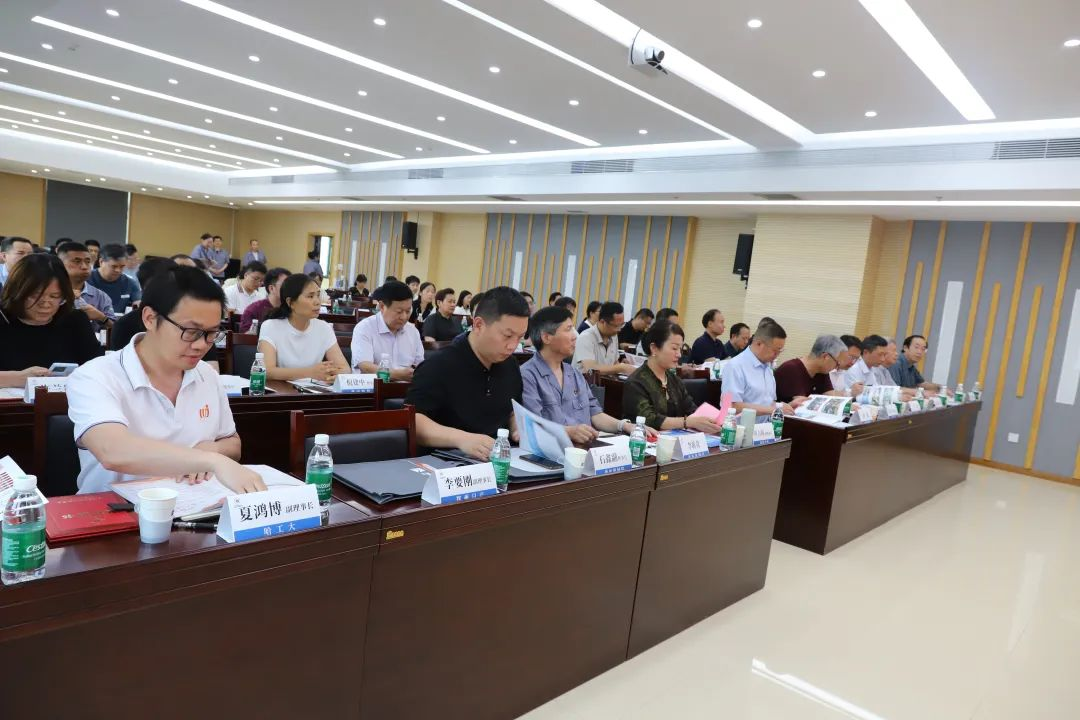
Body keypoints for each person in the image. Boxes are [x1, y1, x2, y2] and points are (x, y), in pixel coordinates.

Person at [67, 265, 265, 495]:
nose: (202, 345)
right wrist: (209, 460)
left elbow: (232, 442)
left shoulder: (207, 375)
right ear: (150, 318)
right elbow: (112, 451)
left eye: (212, 333)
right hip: (114, 507)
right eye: (191, 331)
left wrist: (213, 450)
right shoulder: (95, 376)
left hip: (193, 502)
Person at [406, 287, 528, 459]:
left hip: (501, 460)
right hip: (448, 462)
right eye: (507, 336)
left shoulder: (510, 365)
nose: (513, 346)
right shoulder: (439, 365)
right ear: (479, 325)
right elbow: (414, 421)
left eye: (520, 337)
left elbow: (512, 409)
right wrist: (462, 439)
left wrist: (517, 427)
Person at [523, 306, 657, 444]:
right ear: (546, 337)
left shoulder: (574, 373)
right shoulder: (528, 376)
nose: (575, 336)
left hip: (584, 449)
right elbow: (533, 426)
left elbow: (595, 413)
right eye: (568, 329)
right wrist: (568, 432)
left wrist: (625, 426)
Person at [0, 254, 104, 387]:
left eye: (55, 296)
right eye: (35, 296)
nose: (46, 304)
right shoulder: (3, 318)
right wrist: (17, 378)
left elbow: (97, 367)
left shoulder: (74, 320)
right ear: (17, 292)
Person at [622, 320, 722, 433]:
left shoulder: (674, 380)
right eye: (674, 348)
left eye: (680, 349)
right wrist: (686, 422)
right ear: (654, 348)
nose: (679, 354)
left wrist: (709, 421)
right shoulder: (636, 382)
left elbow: (691, 410)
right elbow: (649, 419)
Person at [257, 274, 349, 383]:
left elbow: (345, 369)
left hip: (314, 391)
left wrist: (335, 375)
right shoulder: (271, 326)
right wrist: (310, 373)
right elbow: (267, 371)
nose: (317, 302)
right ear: (290, 302)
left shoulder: (324, 328)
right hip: (281, 390)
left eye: (318, 295)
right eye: (310, 296)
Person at [351, 280, 425, 379]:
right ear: (382, 306)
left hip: (407, 387)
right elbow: (365, 367)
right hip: (373, 387)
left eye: (408, 311)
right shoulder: (365, 328)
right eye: (399, 311)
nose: (404, 317)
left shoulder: (412, 331)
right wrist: (397, 375)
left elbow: (420, 365)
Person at [724, 319, 793, 416]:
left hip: (767, 424)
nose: (777, 355)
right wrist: (773, 409)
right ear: (759, 344)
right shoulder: (735, 366)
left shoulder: (767, 367)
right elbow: (731, 406)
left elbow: (768, 403)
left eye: (780, 351)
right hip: (743, 425)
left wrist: (787, 406)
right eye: (775, 350)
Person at [774, 334, 858, 404]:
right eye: (837, 363)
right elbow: (801, 403)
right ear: (825, 357)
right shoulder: (791, 369)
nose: (837, 367)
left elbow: (831, 395)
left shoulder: (821, 371)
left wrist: (846, 405)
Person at [56, 241, 114, 331]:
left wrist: (101, 317)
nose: (84, 267)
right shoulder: (49, 294)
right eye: (77, 261)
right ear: (60, 264)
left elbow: (116, 329)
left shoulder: (100, 296)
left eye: (87, 262)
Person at [572, 301, 637, 375]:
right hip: (583, 381)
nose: (619, 329)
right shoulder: (586, 337)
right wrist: (620, 368)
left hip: (605, 380)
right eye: (616, 326)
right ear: (602, 322)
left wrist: (622, 365)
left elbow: (614, 363)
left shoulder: (614, 336)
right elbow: (590, 369)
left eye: (622, 325)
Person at [89, 243, 142, 311]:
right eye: (114, 266)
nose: (118, 270)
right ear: (101, 262)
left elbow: (138, 303)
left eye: (122, 266)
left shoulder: (130, 283)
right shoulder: (86, 280)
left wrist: (138, 305)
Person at [239, 267, 289, 333]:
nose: (289, 289)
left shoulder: (292, 309)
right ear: (271, 288)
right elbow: (244, 336)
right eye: (285, 285)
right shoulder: (253, 310)